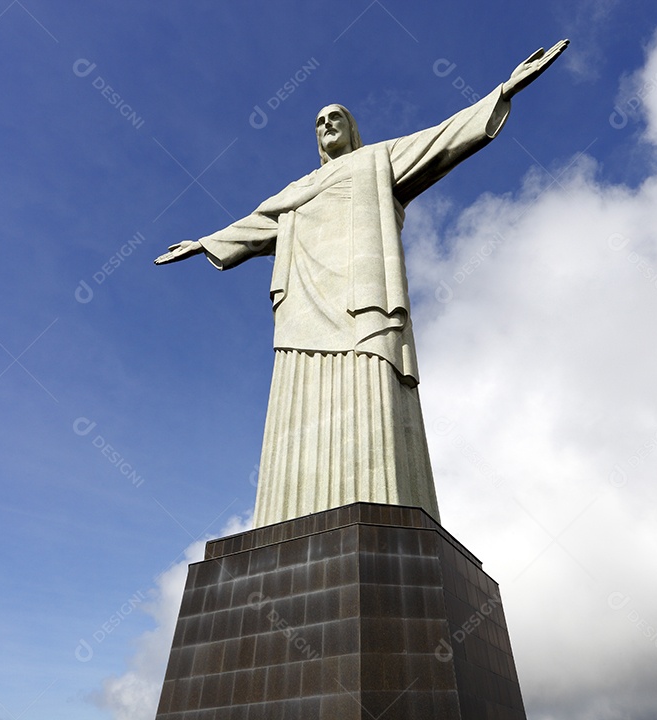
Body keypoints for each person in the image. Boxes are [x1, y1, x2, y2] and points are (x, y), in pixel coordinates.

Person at [155, 41, 569, 528]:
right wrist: (202, 243)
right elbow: (254, 225)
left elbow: (441, 140)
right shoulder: (296, 190)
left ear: (352, 129)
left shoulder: (377, 160)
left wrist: (503, 91)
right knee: (298, 396)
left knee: (370, 383)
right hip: (303, 307)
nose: (327, 124)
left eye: (336, 117)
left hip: (361, 300)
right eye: (319, 122)